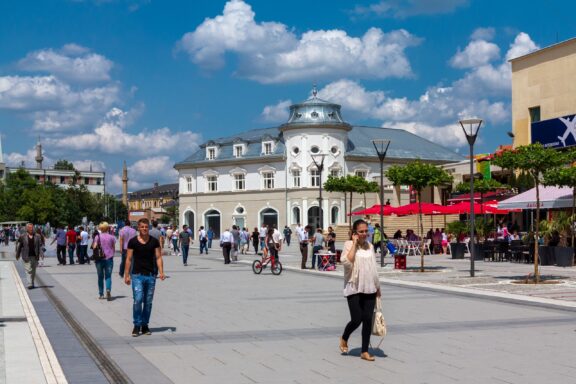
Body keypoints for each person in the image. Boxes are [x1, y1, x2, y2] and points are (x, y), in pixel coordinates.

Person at [339, 219, 381, 362]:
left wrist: (378, 286)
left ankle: (364, 351)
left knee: (368, 320)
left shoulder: (370, 246)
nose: (364, 234)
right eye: (361, 231)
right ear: (355, 233)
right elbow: (346, 262)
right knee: (356, 319)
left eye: (366, 231)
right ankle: (344, 337)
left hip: (369, 286)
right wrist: (355, 244)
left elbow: (374, 267)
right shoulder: (348, 244)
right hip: (354, 286)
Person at [124, 218, 165, 337]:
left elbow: (158, 257)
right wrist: (126, 275)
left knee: (148, 302)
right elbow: (129, 259)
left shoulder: (154, 242)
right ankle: (137, 325)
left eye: (146, 227)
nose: (144, 229)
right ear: (138, 228)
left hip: (151, 275)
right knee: (138, 299)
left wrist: (161, 272)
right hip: (137, 275)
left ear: (149, 227)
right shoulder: (133, 242)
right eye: (142, 227)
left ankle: (145, 325)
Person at [93, 222, 116, 300]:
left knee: (100, 277)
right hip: (109, 258)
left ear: (100, 228)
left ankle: (101, 294)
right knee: (108, 276)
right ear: (107, 228)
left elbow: (94, 247)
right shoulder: (112, 237)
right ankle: (108, 289)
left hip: (99, 259)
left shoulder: (97, 237)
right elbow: (113, 248)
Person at [16, 223, 42, 289]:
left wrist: (41, 254)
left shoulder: (37, 236)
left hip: (35, 256)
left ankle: (32, 282)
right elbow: (19, 246)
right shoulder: (22, 236)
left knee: (33, 271)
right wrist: (18, 254)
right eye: (30, 228)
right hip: (26, 256)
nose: (31, 229)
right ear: (27, 229)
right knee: (28, 270)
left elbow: (40, 246)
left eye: (32, 227)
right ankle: (29, 284)